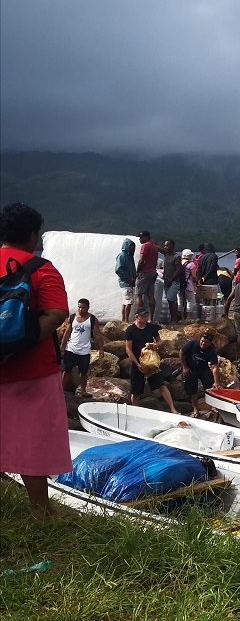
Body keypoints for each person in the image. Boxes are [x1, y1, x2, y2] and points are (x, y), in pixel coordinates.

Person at [0, 202, 71, 519]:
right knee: (35, 441)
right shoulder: (41, 268)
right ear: (32, 235)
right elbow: (57, 313)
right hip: (34, 372)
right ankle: (40, 512)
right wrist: (20, 342)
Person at [123, 309, 178, 413]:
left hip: (151, 360)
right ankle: (135, 411)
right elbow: (128, 349)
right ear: (136, 317)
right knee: (136, 389)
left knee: (160, 384)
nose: (145, 319)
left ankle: (172, 408)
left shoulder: (151, 328)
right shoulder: (130, 330)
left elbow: (160, 341)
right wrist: (137, 363)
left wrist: (157, 345)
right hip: (138, 360)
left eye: (146, 316)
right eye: (142, 317)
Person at [60, 298, 104, 398]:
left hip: (84, 350)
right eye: (79, 307)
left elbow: (97, 334)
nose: (81, 309)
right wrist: (62, 347)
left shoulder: (92, 319)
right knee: (67, 370)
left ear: (88, 308)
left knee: (84, 371)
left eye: (83, 307)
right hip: (71, 348)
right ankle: (61, 390)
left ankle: (83, 391)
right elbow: (67, 333)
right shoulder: (72, 318)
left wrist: (101, 349)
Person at [181, 330, 221, 417]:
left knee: (210, 386)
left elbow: (215, 367)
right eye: (202, 341)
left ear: (210, 343)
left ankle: (213, 406)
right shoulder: (192, 344)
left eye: (206, 342)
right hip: (190, 368)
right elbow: (182, 353)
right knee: (192, 390)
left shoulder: (211, 350)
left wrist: (216, 381)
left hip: (203, 368)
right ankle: (196, 409)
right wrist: (184, 367)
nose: (203, 343)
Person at [135, 230, 158, 316]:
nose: (140, 239)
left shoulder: (145, 246)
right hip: (153, 272)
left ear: (146, 237)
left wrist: (137, 271)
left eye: (141, 237)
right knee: (150, 295)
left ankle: (140, 316)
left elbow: (142, 259)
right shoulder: (154, 246)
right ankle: (150, 317)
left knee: (139, 295)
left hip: (145, 272)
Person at [114, 238, 137, 321]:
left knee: (125, 302)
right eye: (131, 246)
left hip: (128, 283)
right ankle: (126, 320)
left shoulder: (129, 257)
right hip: (126, 283)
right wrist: (128, 278)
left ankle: (124, 319)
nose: (133, 248)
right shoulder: (123, 256)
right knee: (128, 302)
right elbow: (118, 269)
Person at [161, 240, 183, 323]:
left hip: (174, 282)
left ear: (172, 246)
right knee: (169, 300)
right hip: (167, 281)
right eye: (164, 246)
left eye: (167, 246)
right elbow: (158, 248)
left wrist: (171, 280)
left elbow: (179, 270)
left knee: (171, 299)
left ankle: (174, 319)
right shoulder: (166, 255)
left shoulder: (176, 257)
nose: (165, 247)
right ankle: (173, 318)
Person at [181, 248, 197, 320]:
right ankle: (188, 317)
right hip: (189, 284)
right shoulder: (191, 264)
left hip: (180, 284)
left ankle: (181, 317)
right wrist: (197, 282)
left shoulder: (180, 262)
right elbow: (194, 276)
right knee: (190, 301)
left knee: (180, 301)